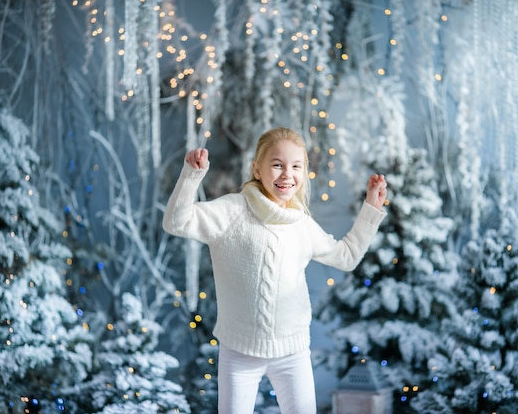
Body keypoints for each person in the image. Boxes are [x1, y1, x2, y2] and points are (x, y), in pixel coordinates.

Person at [163, 127, 387, 414]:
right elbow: (176, 223)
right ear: (257, 169)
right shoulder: (232, 211)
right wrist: (191, 176)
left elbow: (347, 257)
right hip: (239, 352)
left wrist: (370, 208)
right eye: (277, 164)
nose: (286, 174)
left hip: (292, 353)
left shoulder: (301, 224)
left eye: (296, 166)